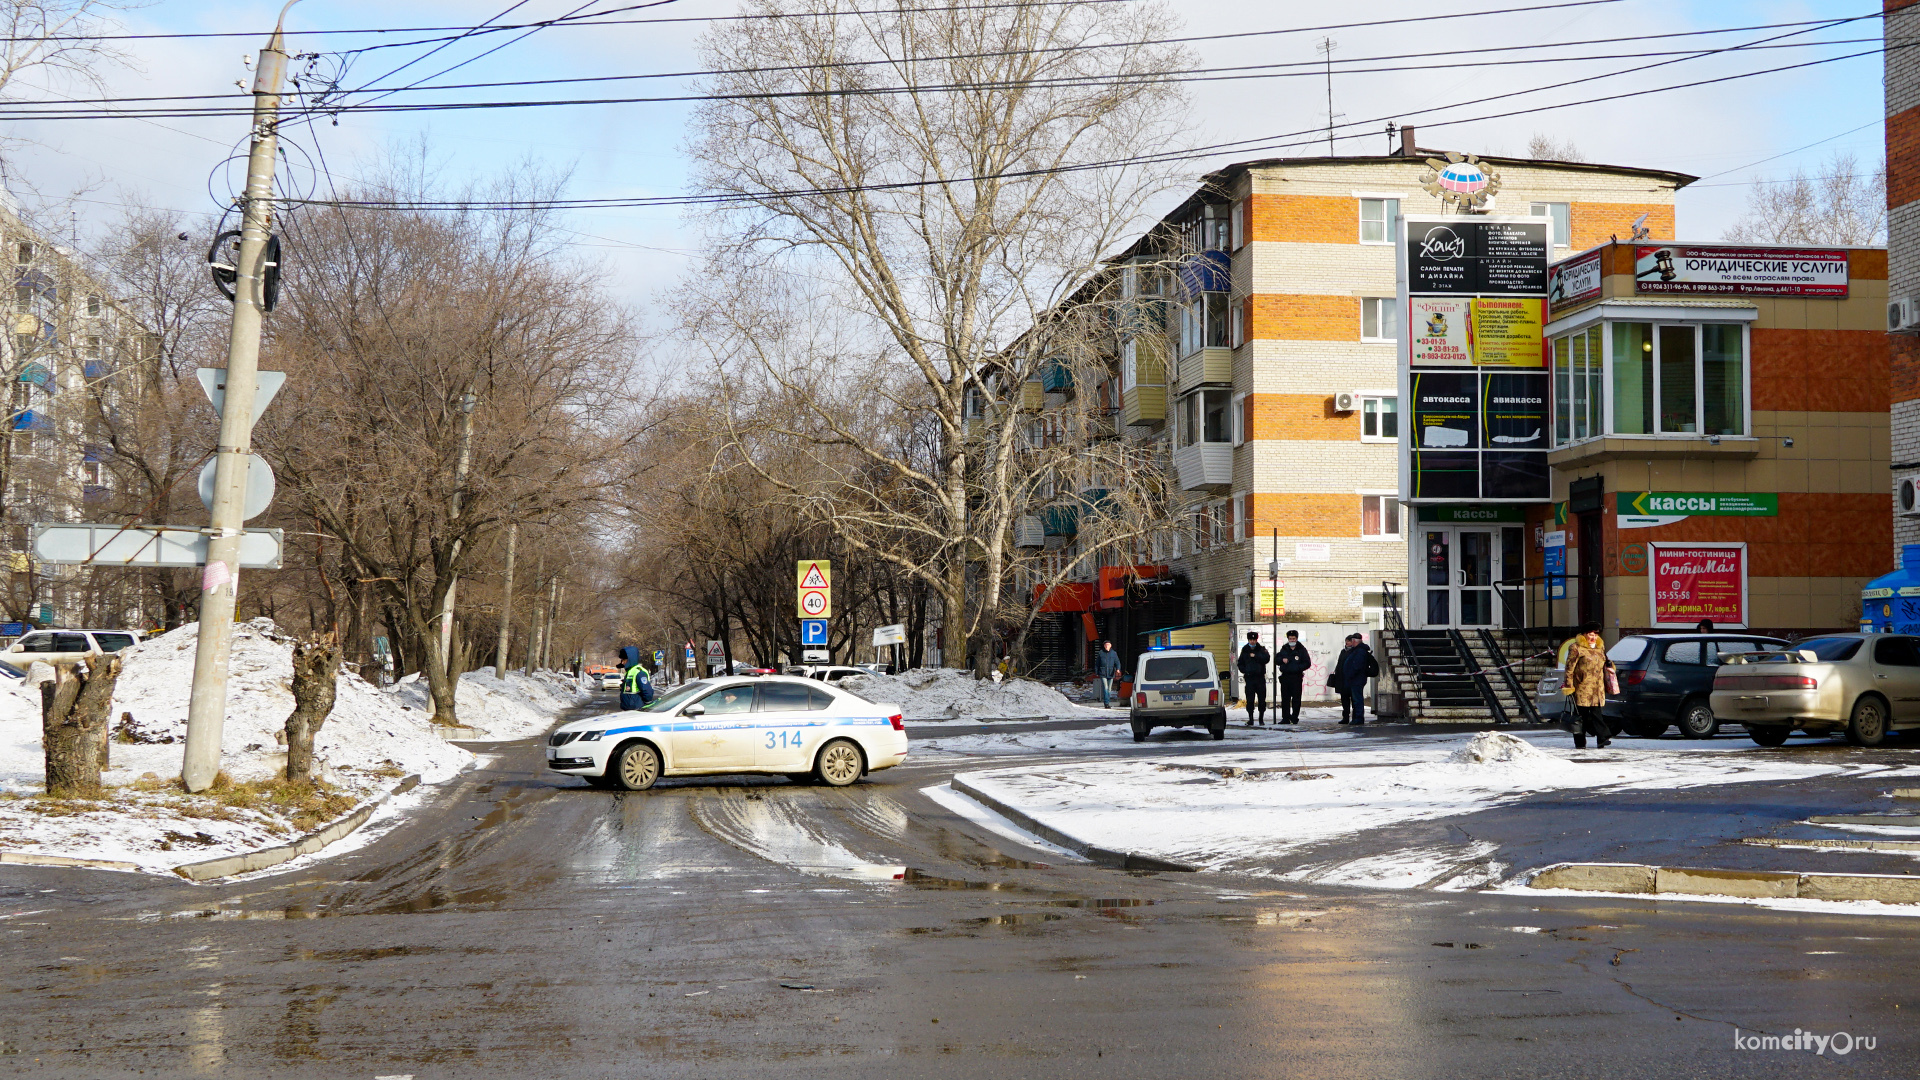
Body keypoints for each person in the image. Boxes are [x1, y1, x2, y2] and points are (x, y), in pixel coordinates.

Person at [1563, 621, 1614, 749]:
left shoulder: (1600, 648)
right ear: (1584, 634)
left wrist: (1610, 666)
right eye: (1591, 634)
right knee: (1582, 717)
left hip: (1597, 688)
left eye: (1596, 635)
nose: (1594, 637)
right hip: (1582, 688)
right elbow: (1569, 668)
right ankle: (1580, 743)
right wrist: (1569, 686)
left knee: (1597, 714)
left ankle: (1602, 738)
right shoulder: (1576, 648)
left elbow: (1606, 663)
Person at [1334, 633, 1379, 725]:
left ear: (1354, 641)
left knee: (1357, 700)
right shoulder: (1356, 651)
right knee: (1353, 699)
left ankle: (1358, 718)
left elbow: (1357, 666)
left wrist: (1349, 674)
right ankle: (1355, 718)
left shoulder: (1360, 651)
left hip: (1356, 679)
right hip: (1353, 679)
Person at [1275, 630, 1311, 725]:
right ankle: (1285, 718)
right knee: (1285, 699)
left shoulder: (1301, 649)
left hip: (1296, 677)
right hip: (1286, 677)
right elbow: (1276, 659)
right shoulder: (1284, 648)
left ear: (1296, 639)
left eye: (1293, 638)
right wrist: (1282, 660)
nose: (1292, 640)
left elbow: (1307, 663)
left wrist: (1298, 667)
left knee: (1296, 699)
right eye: (1290, 638)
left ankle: (1294, 717)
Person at [1236, 631, 1271, 726]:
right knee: (1250, 700)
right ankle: (1250, 719)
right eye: (1250, 640)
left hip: (1260, 678)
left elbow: (1267, 658)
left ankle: (1261, 719)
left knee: (1261, 699)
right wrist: (1245, 670)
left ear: (1256, 640)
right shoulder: (1245, 649)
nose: (1252, 642)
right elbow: (1240, 663)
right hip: (1249, 678)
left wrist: (1256, 656)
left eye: (1254, 640)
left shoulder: (1261, 649)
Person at [1094, 640, 1122, 708]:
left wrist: (1118, 669)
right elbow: (1097, 663)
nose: (1107, 646)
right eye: (1105, 645)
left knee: (1109, 689)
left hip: (1111, 673)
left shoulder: (1113, 653)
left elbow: (1117, 662)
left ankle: (1107, 702)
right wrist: (1097, 672)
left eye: (1108, 645)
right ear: (1104, 646)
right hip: (1103, 673)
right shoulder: (1101, 653)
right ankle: (1106, 703)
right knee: (1105, 688)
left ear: (1110, 646)